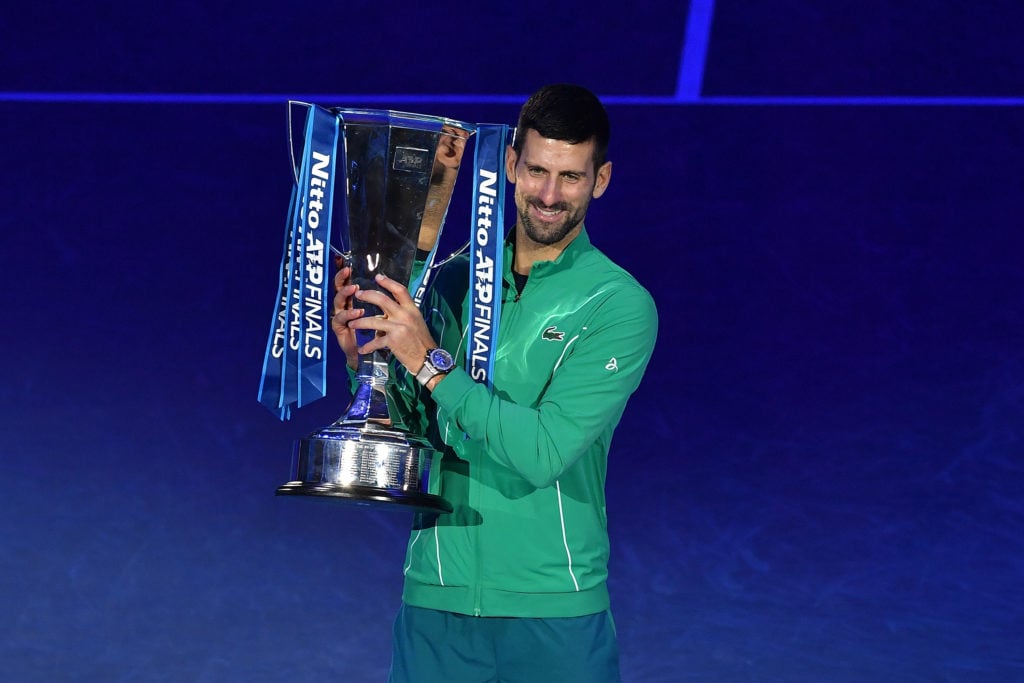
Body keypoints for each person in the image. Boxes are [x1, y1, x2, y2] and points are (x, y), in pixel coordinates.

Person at [331, 83, 658, 683]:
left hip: (553, 615)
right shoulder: (450, 282)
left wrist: (428, 361)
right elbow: (421, 433)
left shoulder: (618, 305)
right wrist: (365, 363)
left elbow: (543, 452)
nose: (550, 195)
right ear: (510, 165)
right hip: (436, 602)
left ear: (601, 179)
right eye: (536, 170)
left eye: (571, 176)